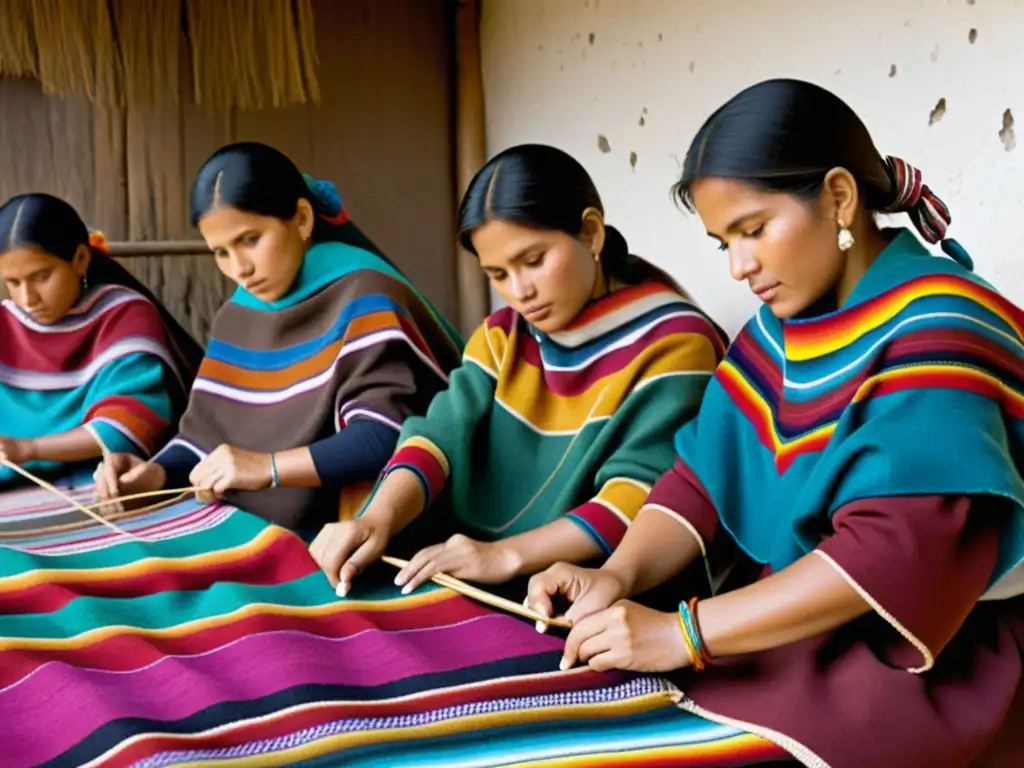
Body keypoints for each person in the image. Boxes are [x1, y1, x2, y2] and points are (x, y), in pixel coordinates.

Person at [525, 79, 1024, 767]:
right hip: (800, 627)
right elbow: (703, 476)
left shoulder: (941, 325)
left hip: (934, 657)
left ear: (839, 197)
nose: (738, 266)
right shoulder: (777, 332)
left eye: (753, 230)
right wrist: (618, 574)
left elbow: (887, 557)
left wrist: (685, 635)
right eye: (722, 240)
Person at [310, 143, 728, 598]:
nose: (520, 291)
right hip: (477, 569)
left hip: (593, 588)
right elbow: (439, 433)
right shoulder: (504, 334)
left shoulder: (677, 343)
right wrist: (378, 516)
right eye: (498, 274)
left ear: (590, 233)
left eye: (533, 261)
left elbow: (641, 494)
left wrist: (503, 556)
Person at [95, 142, 464, 532]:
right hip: (262, 526)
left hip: (358, 532)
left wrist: (267, 467)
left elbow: (383, 436)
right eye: (220, 252)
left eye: (251, 240)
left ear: (302, 219)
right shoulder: (238, 316)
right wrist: (154, 474)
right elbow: (206, 439)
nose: (240, 269)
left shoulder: (366, 295)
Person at [0, 193, 202, 488]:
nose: (28, 299)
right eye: (13, 282)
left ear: (80, 259)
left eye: (42, 276)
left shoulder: (124, 317)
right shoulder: (5, 324)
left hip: (99, 483)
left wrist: (27, 449)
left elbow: (127, 422)